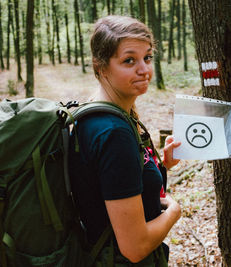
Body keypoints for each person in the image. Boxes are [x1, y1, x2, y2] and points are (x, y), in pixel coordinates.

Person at [68, 15, 181, 265]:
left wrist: (161, 167)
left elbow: (113, 186)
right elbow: (134, 247)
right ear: (101, 67)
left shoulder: (96, 112)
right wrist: (174, 212)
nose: (144, 69)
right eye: (129, 60)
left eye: (147, 57)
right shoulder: (112, 132)